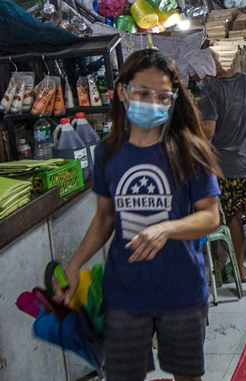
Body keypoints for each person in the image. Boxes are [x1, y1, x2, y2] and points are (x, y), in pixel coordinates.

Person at [55, 49, 222, 381]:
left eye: (162, 96)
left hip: (181, 289)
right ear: (122, 92)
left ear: (173, 99)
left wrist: (167, 229)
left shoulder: (191, 151)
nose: (152, 102)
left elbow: (210, 217)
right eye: (143, 93)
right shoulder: (108, 153)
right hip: (125, 293)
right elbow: (104, 218)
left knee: (188, 376)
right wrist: (74, 265)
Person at [189, 48, 246, 294]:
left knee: (234, 219)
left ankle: (240, 271)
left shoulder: (211, 92)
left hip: (229, 170)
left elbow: (208, 133)